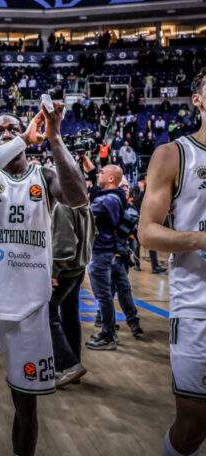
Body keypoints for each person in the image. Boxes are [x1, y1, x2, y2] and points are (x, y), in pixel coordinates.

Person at [0, 104, 88, 456]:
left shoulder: (44, 175)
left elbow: (78, 197)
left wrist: (54, 137)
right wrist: (21, 139)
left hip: (29, 305)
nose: (7, 133)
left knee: (27, 403)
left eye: (13, 128)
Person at [138, 67, 206, 456]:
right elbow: (147, 232)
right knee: (194, 422)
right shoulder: (175, 154)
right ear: (197, 100)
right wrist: (200, 239)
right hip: (197, 304)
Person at [85, 165, 143, 351]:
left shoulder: (107, 200)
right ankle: (118, 327)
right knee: (116, 291)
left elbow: (83, 214)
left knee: (104, 295)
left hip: (102, 251)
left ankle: (108, 335)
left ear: (111, 179)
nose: (99, 174)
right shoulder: (115, 197)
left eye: (102, 172)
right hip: (112, 252)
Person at [50, 203, 95, 388]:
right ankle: (73, 368)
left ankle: (68, 365)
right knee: (70, 316)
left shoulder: (62, 206)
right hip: (77, 269)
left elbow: (64, 247)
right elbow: (92, 235)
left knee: (47, 313)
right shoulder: (82, 202)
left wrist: (53, 271)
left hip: (63, 273)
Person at [132, 174, 166, 274]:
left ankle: (155, 267)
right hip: (137, 219)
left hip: (148, 219)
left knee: (151, 242)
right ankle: (136, 264)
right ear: (142, 180)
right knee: (137, 243)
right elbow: (137, 203)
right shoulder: (136, 189)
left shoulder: (150, 188)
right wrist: (142, 190)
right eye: (146, 178)